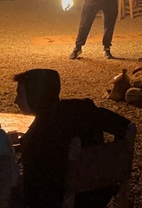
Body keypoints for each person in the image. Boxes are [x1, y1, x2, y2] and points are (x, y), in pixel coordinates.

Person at [14, 69, 132, 208]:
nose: (15, 100)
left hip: (59, 199)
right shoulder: (82, 109)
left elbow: (36, 190)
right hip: (98, 193)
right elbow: (127, 126)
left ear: (34, 94)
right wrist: (112, 160)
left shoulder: (40, 135)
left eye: (19, 94)